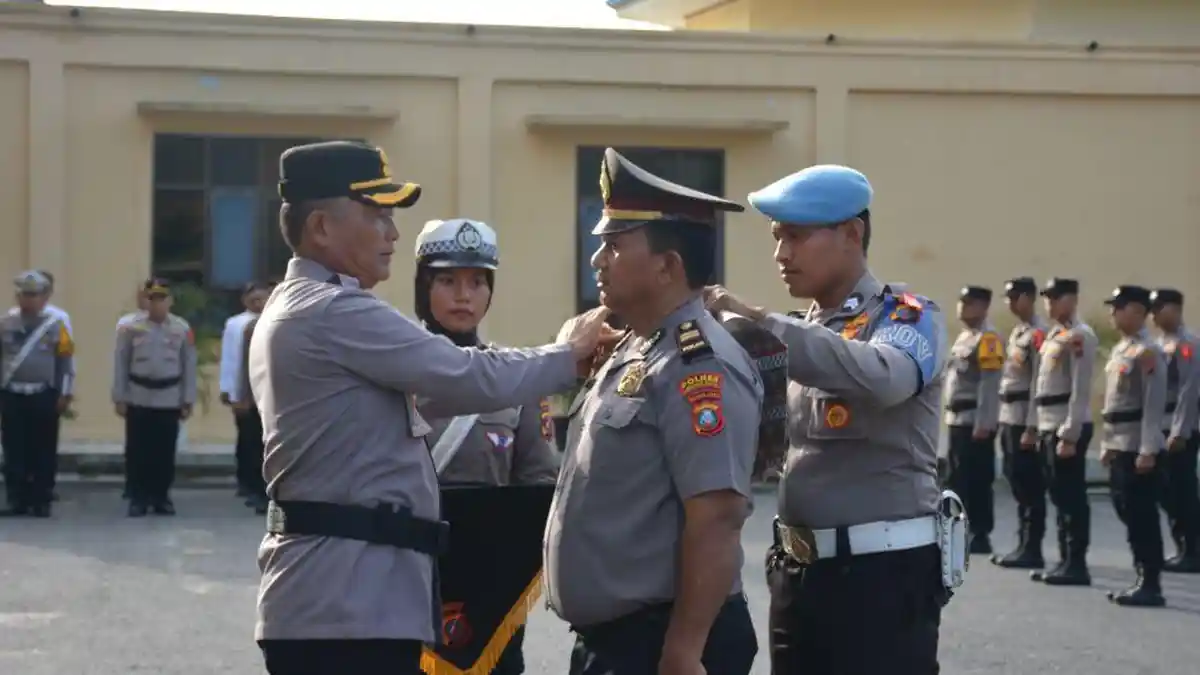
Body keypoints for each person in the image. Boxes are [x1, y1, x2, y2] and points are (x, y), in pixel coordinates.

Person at [252, 140, 611, 675]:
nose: (392, 233)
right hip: (346, 608)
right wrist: (572, 354)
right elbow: (464, 374)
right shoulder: (332, 311)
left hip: (353, 599)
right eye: (377, 216)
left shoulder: (310, 306)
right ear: (322, 227)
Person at [706, 164, 952, 675]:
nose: (781, 254)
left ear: (851, 234)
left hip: (881, 580)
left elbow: (886, 377)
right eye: (777, 238)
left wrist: (760, 325)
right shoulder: (800, 335)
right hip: (799, 574)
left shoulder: (906, 315)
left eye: (795, 236)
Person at [543, 148, 761, 675]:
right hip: (616, 643)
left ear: (667, 266)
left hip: (659, 643)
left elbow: (716, 519)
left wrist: (684, 652)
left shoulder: (696, 367)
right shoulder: (634, 347)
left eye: (614, 247)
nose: (597, 260)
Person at [1097, 285, 1167, 606]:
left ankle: (1150, 582)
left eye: (1119, 307)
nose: (1113, 312)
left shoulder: (1148, 352)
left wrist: (1148, 449)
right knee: (1126, 509)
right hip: (1120, 442)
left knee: (1142, 515)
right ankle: (1142, 573)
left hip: (1138, 446)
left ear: (1138, 311)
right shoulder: (1121, 350)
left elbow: (1153, 405)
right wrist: (1108, 443)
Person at [1028, 277, 1097, 586]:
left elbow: (1080, 389)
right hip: (1047, 423)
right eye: (1047, 298)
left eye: (1056, 297)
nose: (1050, 303)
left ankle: (1077, 562)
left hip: (1065, 426)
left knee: (1071, 497)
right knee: (1058, 494)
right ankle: (1064, 559)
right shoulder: (1056, 335)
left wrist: (1069, 433)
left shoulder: (1080, 337)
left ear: (1072, 299)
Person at [112, 278, 197, 517]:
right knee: (138, 450)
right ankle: (138, 497)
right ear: (144, 301)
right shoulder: (129, 327)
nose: (157, 304)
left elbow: (188, 364)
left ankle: (161, 497)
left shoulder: (182, 328)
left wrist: (187, 399)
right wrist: (119, 396)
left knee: (164, 451)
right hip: (139, 395)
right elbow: (121, 362)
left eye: (162, 299)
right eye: (152, 299)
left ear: (170, 301)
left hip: (169, 396)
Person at [0, 271, 74, 518]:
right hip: (12, 393)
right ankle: (16, 498)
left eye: (34, 294)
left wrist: (65, 393)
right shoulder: (6, 323)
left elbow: (66, 362)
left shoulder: (57, 325)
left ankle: (41, 499)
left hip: (43, 393)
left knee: (43, 448)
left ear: (44, 297)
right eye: (24, 294)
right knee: (14, 449)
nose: (28, 300)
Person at [991, 276, 1050, 569]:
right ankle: (1023, 542)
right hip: (1008, 415)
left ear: (1029, 298)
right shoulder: (1018, 332)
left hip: (1024, 417)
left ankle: (1032, 546)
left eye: (1016, 297)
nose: (1011, 303)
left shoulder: (1039, 334)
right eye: (1008, 298)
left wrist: (1031, 426)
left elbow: (1039, 382)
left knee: (1029, 484)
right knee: (1016, 480)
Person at [943, 285, 1003, 554]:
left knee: (977, 479)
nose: (962, 308)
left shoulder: (988, 339)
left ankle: (981, 532)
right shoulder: (964, 338)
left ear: (982, 307)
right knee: (958, 478)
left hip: (974, 421)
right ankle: (960, 529)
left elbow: (990, 385)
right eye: (961, 302)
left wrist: (984, 423)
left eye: (969, 303)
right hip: (957, 418)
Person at [1150, 288, 1200, 572]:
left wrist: (1180, 431)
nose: (1154, 315)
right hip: (1162, 425)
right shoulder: (1161, 343)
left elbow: (1189, 391)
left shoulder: (1188, 343)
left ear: (1175, 309)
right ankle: (1183, 544)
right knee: (1166, 489)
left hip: (1181, 428)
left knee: (1182, 489)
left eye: (1159, 308)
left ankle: (1192, 549)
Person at [221, 281, 271, 501]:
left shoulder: (276, 321)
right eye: (254, 299)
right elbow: (231, 360)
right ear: (245, 301)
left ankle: (262, 486)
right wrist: (230, 391)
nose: (259, 303)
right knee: (247, 441)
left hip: (269, 395)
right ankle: (247, 482)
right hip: (245, 392)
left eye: (263, 298)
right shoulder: (236, 324)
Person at [8, 269, 73, 338]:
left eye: (32, 294)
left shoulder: (58, 318)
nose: (28, 299)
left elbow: (65, 346)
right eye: (25, 293)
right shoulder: (12, 316)